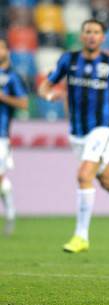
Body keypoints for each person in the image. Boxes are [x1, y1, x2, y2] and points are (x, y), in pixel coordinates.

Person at [38, 19, 109, 252]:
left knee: (84, 175)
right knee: (106, 180)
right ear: (82, 36)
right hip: (77, 133)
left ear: (102, 37)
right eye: (88, 31)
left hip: (103, 127)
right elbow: (44, 88)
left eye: (96, 32)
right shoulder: (68, 60)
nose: (91, 36)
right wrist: (51, 97)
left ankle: (81, 236)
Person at [0, 38, 28, 236]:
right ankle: (10, 211)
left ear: (6, 51)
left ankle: (9, 212)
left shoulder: (12, 77)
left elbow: (23, 103)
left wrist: (2, 97)